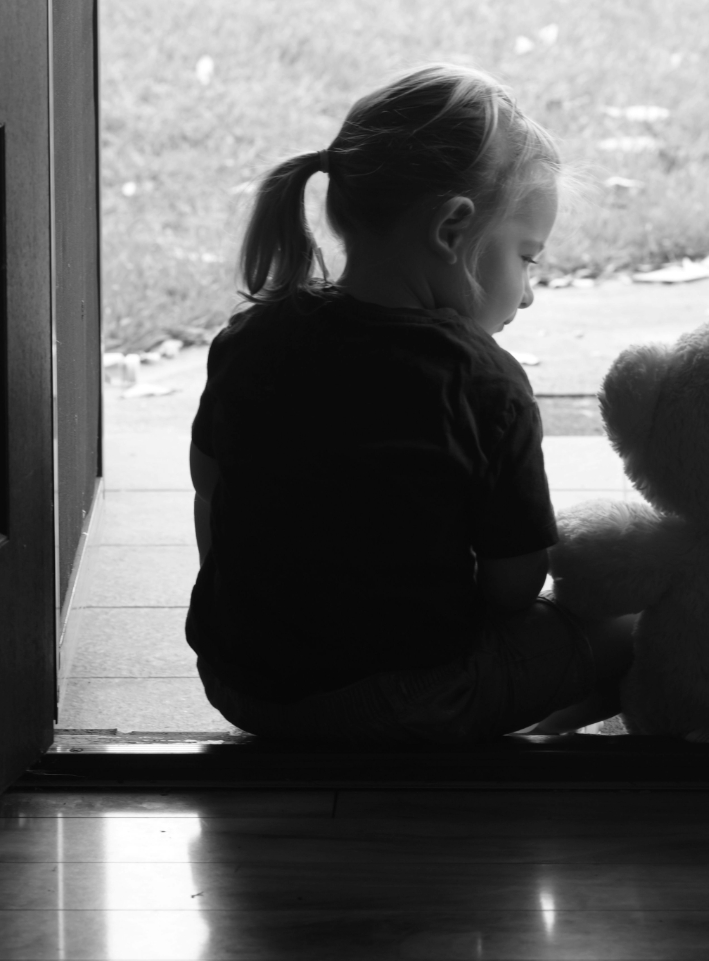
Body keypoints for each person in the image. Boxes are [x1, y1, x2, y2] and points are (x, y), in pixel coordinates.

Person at [186, 63, 636, 743]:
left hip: (243, 685)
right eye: (527, 259)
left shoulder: (251, 336)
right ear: (452, 231)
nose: (528, 293)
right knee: (630, 628)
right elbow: (515, 584)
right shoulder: (484, 381)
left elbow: (210, 491)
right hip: (403, 701)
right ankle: (524, 743)